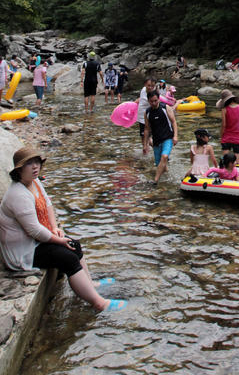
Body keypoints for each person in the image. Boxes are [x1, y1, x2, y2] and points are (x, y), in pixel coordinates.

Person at [0, 148, 126, 311]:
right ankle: (99, 303)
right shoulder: (17, 194)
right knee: (67, 258)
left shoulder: (34, 182)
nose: (35, 167)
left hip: (36, 241)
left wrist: (54, 228)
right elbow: (34, 231)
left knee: (75, 245)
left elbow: (47, 203)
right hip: (24, 251)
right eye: (29, 164)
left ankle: (89, 284)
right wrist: (59, 239)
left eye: (37, 163)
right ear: (19, 170)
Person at [143, 90, 178, 185]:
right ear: (148, 101)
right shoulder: (147, 112)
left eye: (156, 100)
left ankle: (155, 180)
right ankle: (169, 178)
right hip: (156, 141)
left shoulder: (166, 108)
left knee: (165, 156)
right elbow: (146, 129)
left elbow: (174, 122)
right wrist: (145, 145)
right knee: (161, 164)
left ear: (159, 99)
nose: (154, 103)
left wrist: (175, 136)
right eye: (151, 101)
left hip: (168, 138)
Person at [216, 90, 239, 165]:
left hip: (226, 137)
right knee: (238, 163)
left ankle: (226, 175)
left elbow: (223, 125)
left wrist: (221, 136)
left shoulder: (224, 109)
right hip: (238, 137)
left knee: (226, 162)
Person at [136, 76, 156, 148]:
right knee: (143, 137)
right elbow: (141, 98)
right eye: (149, 85)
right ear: (145, 84)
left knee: (148, 138)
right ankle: (145, 152)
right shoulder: (143, 89)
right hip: (141, 117)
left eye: (152, 86)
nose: (150, 87)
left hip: (149, 117)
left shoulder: (153, 94)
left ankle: (158, 150)